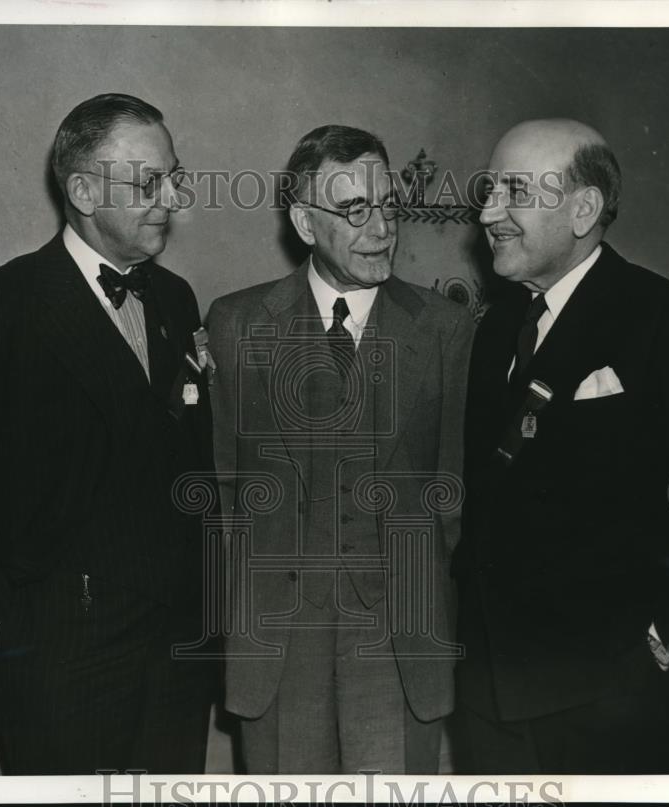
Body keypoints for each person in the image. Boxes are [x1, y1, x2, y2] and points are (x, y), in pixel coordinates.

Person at [0, 93, 217, 774]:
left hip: (174, 661)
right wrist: (5, 627)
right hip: (59, 662)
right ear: (81, 190)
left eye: (174, 177)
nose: (171, 199)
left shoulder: (177, 299)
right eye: (148, 182)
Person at [453, 118, 669, 774]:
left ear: (583, 209)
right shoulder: (495, 326)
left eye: (513, 191)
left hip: (610, 695)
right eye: (489, 189)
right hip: (487, 692)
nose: (488, 211)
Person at [207, 125, 474, 774]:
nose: (381, 227)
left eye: (389, 205)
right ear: (303, 220)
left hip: (399, 647)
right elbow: (223, 492)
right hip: (276, 648)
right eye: (355, 210)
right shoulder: (235, 323)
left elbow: (457, 491)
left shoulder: (447, 328)